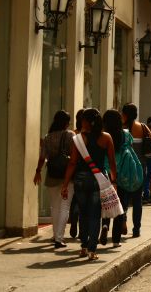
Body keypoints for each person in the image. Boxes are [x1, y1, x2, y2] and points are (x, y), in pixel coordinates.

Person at [61, 108, 117, 261]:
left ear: (86, 122)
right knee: (95, 214)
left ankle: (83, 247)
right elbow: (112, 162)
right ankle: (92, 250)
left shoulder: (79, 139)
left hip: (80, 179)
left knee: (83, 213)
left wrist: (65, 184)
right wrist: (114, 181)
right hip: (98, 180)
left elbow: (72, 162)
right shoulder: (106, 138)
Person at [33, 110, 75, 249]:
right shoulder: (70, 135)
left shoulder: (48, 137)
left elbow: (42, 157)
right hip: (67, 176)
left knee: (54, 206)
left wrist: (38, 171)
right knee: (65, 206)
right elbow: (75, 156)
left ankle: (56, 235)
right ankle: (59, 237)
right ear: (65, 123)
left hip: (51, 175)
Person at [102, 109, 141, 248]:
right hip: (123, 174)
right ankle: (116, 240)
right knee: (120, 206)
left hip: (106, 173)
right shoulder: (125, 135)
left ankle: (105, 225)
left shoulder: (103, 136)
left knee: (107, 202)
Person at [122, 103, 151, 237]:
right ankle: (136, 229)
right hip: (140, 169)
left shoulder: (120, 129)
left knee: (123, 199)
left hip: (123, 169)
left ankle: (123, 221)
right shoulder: (143, 127)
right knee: (137, 200)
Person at [68, 108, 85, 239]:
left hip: (75, 170)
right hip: (87, 169)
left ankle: (73, 219)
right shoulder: (90, 135)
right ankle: (82, 227)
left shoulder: (73, 134)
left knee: (75, 199)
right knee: (86, 201)